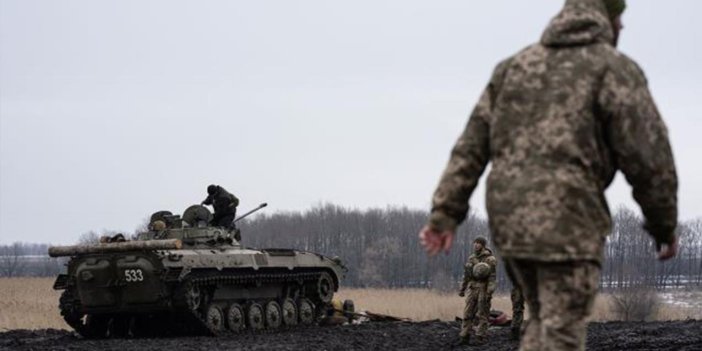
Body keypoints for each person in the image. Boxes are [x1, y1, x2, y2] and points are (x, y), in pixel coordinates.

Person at [419, 0, 678, 350]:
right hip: (567, 222)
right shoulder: (613, 69)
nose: (623, 27)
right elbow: (649, 157)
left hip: (512, 226)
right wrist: (663, 225)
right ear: (608, 18)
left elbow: (470, 148)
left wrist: (445, 214)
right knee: (562, 333)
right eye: (621, 17)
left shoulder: (514, 67)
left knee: (544, 323)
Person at [457, 236, 496, 345]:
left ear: (483, 245)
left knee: (482, 313)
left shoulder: (490, 259)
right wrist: (462, 289)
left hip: (483, 287)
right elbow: (466, 276)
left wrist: (489, 292)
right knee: (467, 312)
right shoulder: (471, 258)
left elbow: (492, 278)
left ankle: (480, 336)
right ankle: (464, 335)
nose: (476, 245)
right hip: (472, 287)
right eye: (475, 243)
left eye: (478, 243)